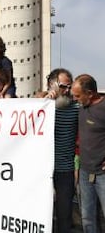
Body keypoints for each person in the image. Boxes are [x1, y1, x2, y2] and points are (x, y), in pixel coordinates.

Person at [42, 68, 79, 233]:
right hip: (42, 171)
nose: (68, 91)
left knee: (64, 217)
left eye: (69, 87)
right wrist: (43, 102)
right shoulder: (41, 106)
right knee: (42, 216)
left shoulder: (76, 107)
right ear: (52, 84)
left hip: (66, 171)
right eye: (64, 86)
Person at [71, 74, 105, 233]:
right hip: (85, 172)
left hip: (103, 175)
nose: (75, 99)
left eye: (78, 96)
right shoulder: (81, 106)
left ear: (90, 93)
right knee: (87, 217)